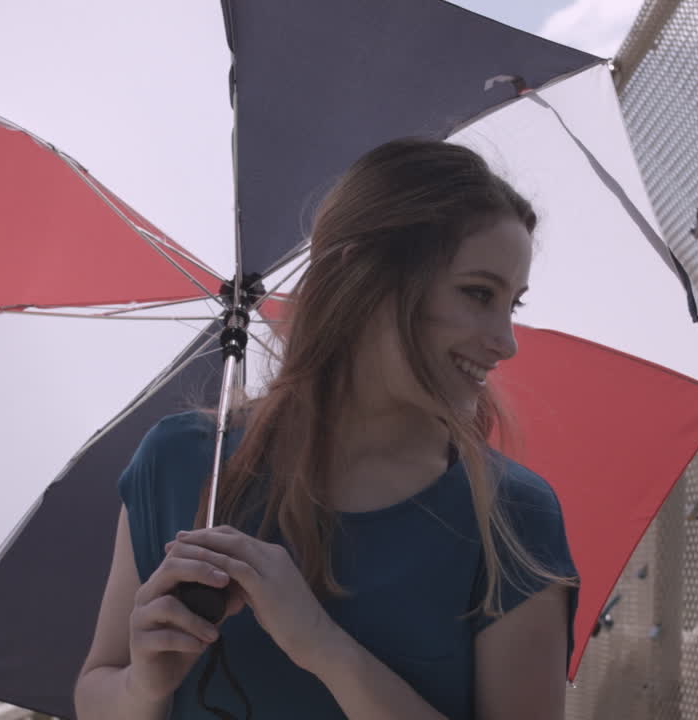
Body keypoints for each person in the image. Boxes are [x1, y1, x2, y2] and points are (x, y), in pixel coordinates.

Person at [74, 138, 579, 720]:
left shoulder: (512, 515)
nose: (506, 342)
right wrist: (144, 685)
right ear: (359, 277)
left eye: (512, 304)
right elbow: (97, 693)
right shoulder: (181, 463)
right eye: (477, 293)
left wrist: (324, 647)